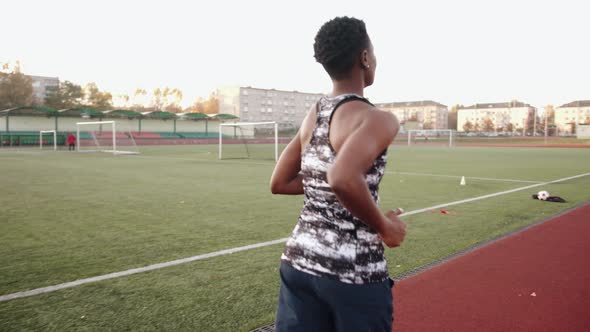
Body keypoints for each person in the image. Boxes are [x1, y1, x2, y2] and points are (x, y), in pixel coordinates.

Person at [270, 16, 407, 332]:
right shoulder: (378, 119)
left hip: (299, 263)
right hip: (352, 273)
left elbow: (280, 182)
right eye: (373, 53)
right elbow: (342, 178)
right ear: (364, 58)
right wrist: (384, 225)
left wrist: (353, 203)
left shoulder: (314, 114)